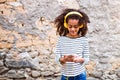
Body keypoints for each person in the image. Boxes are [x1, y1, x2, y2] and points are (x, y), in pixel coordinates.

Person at [54, 8, 90, 80]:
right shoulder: (61, 40)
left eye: (75, 27)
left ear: (80, 26)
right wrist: (64, 59)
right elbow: (57, 59)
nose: (72, 29)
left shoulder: (84, 40)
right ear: (66, 25)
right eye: (70, 26)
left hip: (81, 76)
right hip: (66, 76)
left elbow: (87, 59)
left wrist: (80, 60)